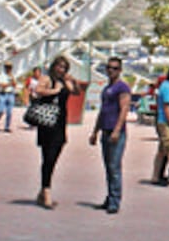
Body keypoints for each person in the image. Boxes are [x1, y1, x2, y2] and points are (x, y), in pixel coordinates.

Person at [33, 55, 82, 209]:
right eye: (59, 67)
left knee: (54, 155)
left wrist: (73, 81)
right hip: (47, 122)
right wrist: (54, 91)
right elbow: (38, 90)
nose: (61, 70)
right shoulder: (47, 79)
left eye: (64, 68)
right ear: (54, 66)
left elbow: (76, 92)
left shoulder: (65, 81)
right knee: (48, 156)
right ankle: (46, 191)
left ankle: (43, 190)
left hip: (60, 122)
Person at [88, 56, 131, 214]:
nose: (111, 71)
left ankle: (115, 200)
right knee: (108, 167)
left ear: (120, 70)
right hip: (105, 130)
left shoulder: (122, 88)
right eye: (109, 68)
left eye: (114, 68)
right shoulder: (106, 89)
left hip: (115, 133)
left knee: (114, 167)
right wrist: (95, 131)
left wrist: (117, 130)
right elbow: (102, 111)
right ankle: (110, 197)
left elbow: (124, 109)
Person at [0, 62, 17, 132]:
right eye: (7, 67)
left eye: (10, 67)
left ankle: (7, 127)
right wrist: (10, 83)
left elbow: (15, 85)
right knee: (0, 110)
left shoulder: (13, 75)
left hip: (10, 94)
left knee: (9, 112)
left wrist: (12, 80)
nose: (8, 69)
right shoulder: (1, 75)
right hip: (3, 94)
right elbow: (2, 85)